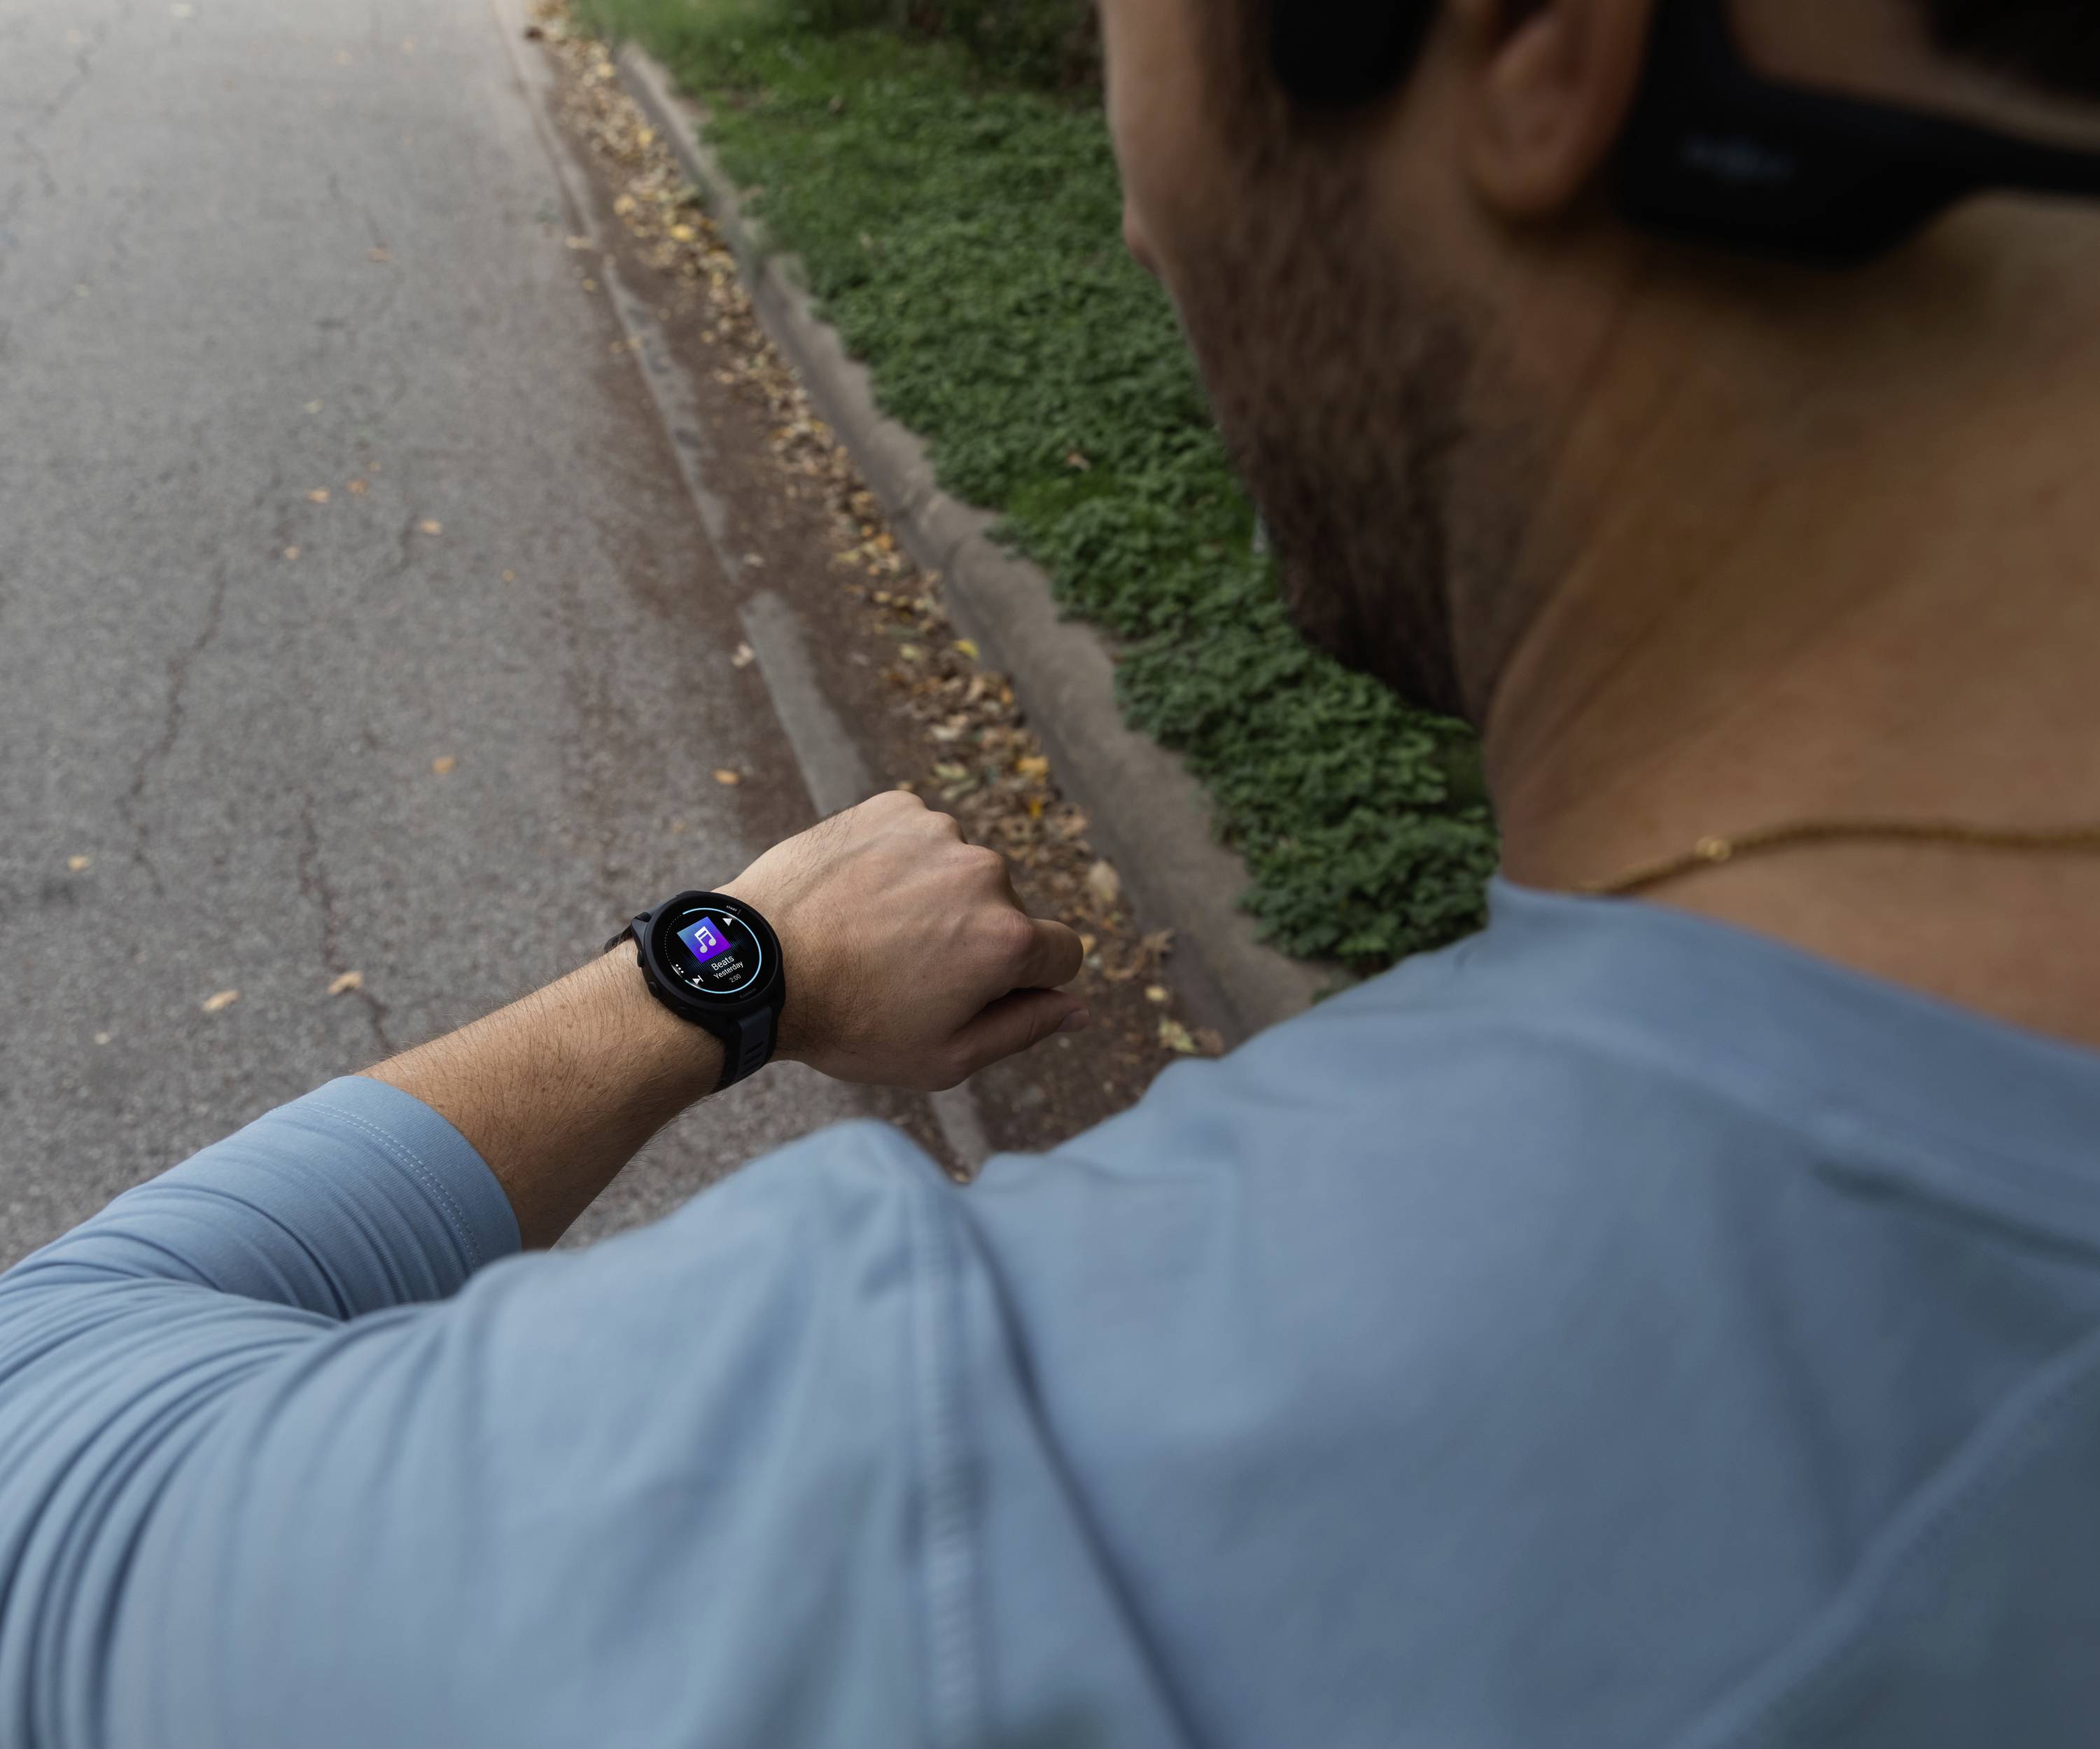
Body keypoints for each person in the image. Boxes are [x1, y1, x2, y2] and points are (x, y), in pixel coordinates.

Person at [8, 0, 2100, 1741]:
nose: (1126, 200)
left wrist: (724, 968)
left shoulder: (979, 1516)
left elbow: (51, 1430)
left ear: (1538, 45)